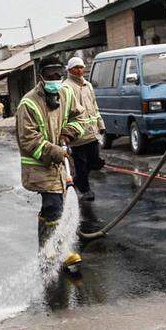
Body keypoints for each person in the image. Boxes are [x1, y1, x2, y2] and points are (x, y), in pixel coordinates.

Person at [16, 56, 84, 248]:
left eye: (58, 74)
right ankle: (52, 251)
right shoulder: (28, 103)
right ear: (41, 76)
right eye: (49, 75)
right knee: (54, 205)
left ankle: (52, 247)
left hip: (60, 164)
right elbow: (28, 139)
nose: (55, 78)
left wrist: (68, 134)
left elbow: (80, 119)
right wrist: (54, 151)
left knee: (55, 207)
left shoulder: (67, 94)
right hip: (40, 167)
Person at [61, 55, 105, 201]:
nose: (80, 70)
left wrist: (101, 125)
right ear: (70, 70)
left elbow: (94, 106)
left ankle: (79, 180)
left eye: (81, 67)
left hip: (91, 133)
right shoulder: (66, 87)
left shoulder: (88, 85)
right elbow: (63, 112)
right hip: (77, 135)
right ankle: (85, 189)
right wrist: (65, 133)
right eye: (76, 68)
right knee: (81, 163)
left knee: (94, 161)